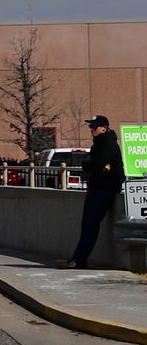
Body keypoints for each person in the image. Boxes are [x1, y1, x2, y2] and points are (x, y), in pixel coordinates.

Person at [60, 115, 123, 269]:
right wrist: (94, 165)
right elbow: (87, 165)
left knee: (90, 225)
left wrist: (95, 165)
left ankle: (79, 260)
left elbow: (95, 165)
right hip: (95, 188)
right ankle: (79, 258)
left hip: (104, 190)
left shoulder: (108, 144)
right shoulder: (98, 145)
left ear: (104, 128)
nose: (92, 129)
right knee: (87, 225)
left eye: (95, 126)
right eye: (91, 126)